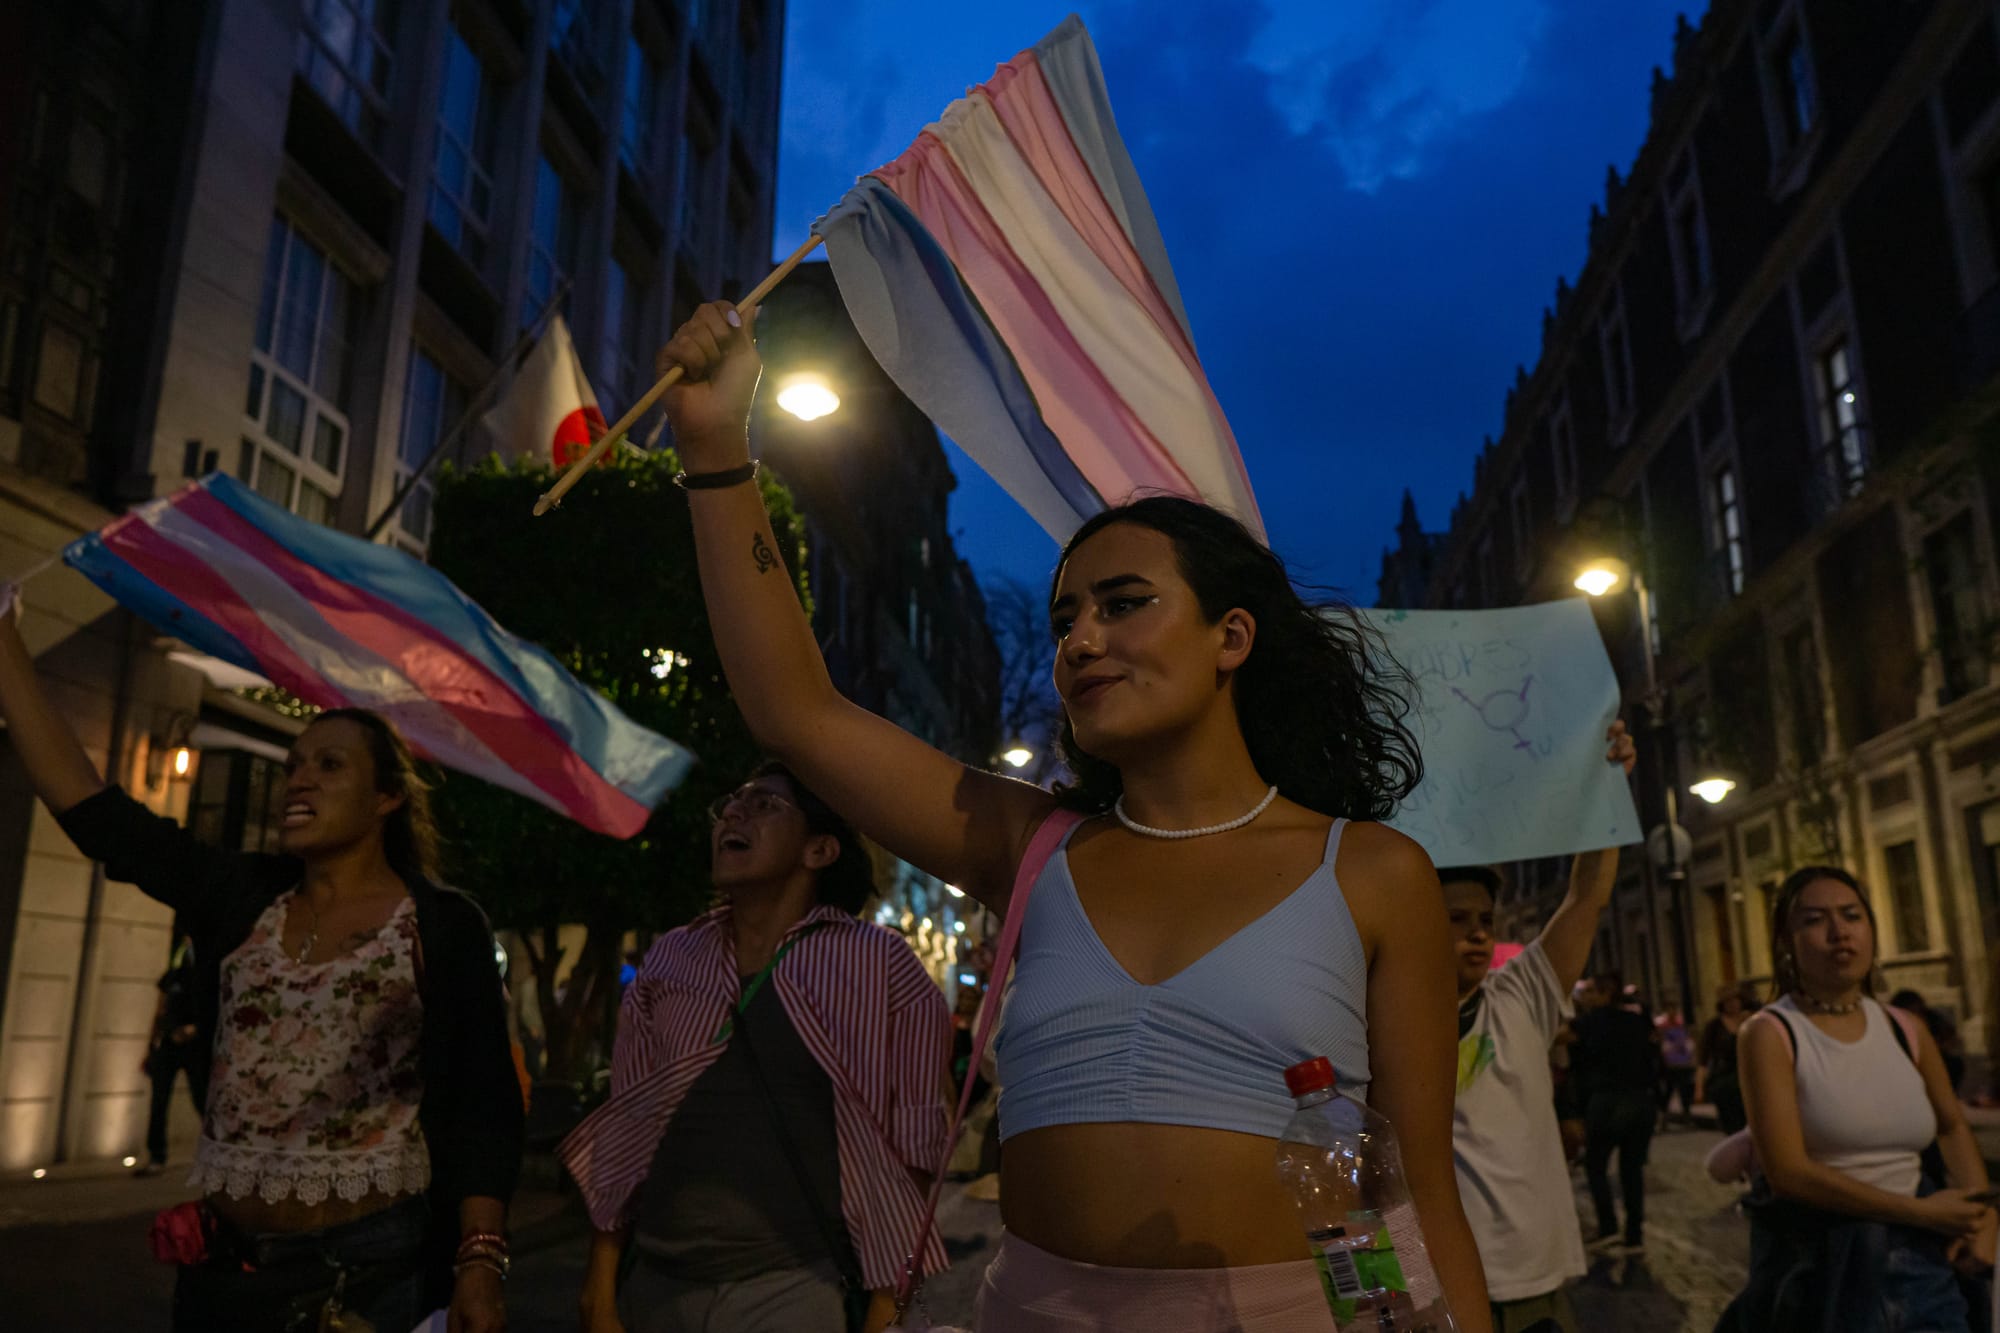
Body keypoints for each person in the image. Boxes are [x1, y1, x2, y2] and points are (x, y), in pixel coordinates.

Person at [645, 303, 1491, 1331]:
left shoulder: (1369, 871)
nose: (1079, 640)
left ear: (1231, 636)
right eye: (1062, 620)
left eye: (1122, 603)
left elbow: (1421, 1197)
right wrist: (714, 450)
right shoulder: (1030, 846)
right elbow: (795, 711)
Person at [0, 589, 519, 1333]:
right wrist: (4, 634)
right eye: (294, 763)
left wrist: (479, 1261)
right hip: (225, 1277)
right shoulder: (241, 897)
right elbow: (94, 812)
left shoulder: (440, 925)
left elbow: (484, 1106)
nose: (299, 777)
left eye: (329, 765)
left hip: (367, 1276)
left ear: (385, 799)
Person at [563, 762, 952, 1333]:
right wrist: (600, 1283)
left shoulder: (883, 966)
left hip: (795, 1287)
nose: (734, 815)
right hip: (657, 1282)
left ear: (819, 851)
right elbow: (630, 1124)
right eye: (731, 804)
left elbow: (914, 1147)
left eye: (765, 804)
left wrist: (888, 1304)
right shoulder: (673, 956)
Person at [1722, 867, 1995, 1332]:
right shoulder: (1770, 1033)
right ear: (1787, 941)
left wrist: (1983, 1217)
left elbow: (1952, 1126)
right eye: (1814, 919)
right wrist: (1921, 1213)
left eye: (1852, 915)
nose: (1839, 932)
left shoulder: (1906, 1029)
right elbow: (1788, 1172)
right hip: (1831, 1272)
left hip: (1927, 1268)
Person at [1441, 722, 1634, 1333]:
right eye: (1455, 919)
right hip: (1445, 1287)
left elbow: (1585, 900)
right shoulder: (1377, 1024)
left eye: (1485, 918)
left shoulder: (1520, 994)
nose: (1478, 932)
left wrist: (1606, 794)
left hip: (1536, 1285)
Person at [1570, 969, 1660, 1254]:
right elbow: (1654, 1053)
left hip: (1607, 1101)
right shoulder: (1638, 1020)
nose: (1585, 997)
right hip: (1641, 1100)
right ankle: (1634, 1235)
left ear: (1606, 993)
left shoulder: (1589, 1022)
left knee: (1595, 1164)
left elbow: (1560, 1039)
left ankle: (1608, 1226)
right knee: (1631, 1168)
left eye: (1591, 991)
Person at [139, 926, 209, 1176]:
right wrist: (151, 1046)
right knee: (159, 1102)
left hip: (192, 1048)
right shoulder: (171, 978)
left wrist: (193, 1030)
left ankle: (215, 1151)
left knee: (201, 1099)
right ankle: (156, 1155)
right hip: (167, 1046)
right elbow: (159, 1011)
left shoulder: (204, 977)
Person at [1696, 986, 1753, 1134]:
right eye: (1728, 1001)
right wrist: (1699, 1088)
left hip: (1749, 1078)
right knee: (1732, 1126)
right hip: (1726, 1081)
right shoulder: (1714, 1026)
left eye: (1735, 1000)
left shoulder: (1752, 1021)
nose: (1733, 1004)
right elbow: (1703, 1059)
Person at [1891, 989, 1969, 1096]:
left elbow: (1952, 1038)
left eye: (1918, 1012)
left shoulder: (1931, 1019)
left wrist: (1935, 1047)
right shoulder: (1893, 1025)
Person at [1656, 1004, 1697, 1128]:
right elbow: (1661, 1045)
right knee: (1667, 1092)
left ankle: (1687, 1117)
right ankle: (1664, 1118)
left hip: (1683, 1063)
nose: (1673, 1012)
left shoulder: (1682, 1026)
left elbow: (1689, 1043)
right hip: (1669, 1065)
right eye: (1670, 1009)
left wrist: (1691, 1058)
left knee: (1685, 1092)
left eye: (1674, 1009)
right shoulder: (1662, 1027)